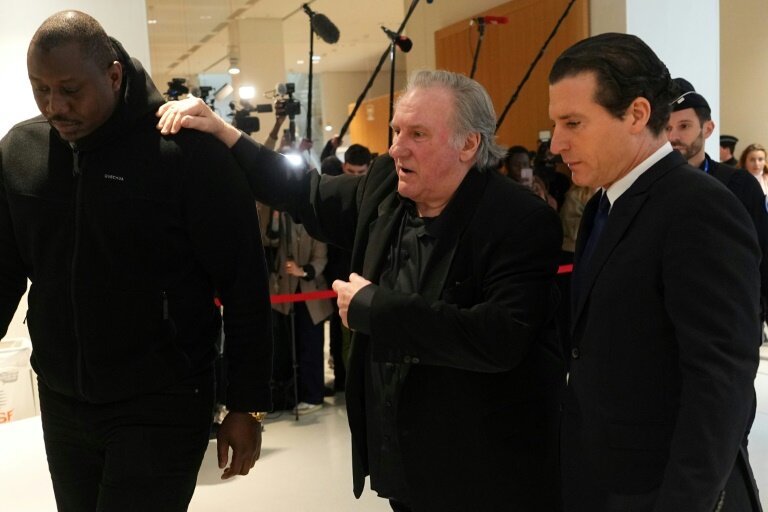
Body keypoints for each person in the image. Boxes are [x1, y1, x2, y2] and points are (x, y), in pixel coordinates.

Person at [158, 69, 565, 512]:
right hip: (403, 465)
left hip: (483, 473)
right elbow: (302, 191)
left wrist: (376, 308)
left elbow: (499, 337)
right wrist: (222, 131)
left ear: (469, 145)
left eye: (418, 134)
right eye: (396, 130)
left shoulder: (518, 219)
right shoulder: (386, 186)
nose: (396, 147)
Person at [0, 11, 273, 511]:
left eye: (69, 89)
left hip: (163, 401)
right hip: (63, 400)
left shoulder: (186, 153)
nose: (54, 106)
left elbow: (244, 284)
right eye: (40, 89)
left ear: (113, 75)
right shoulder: (21, 150)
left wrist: (247, 404)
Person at [549, 32, 762, 511]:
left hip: (663, 488)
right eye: (556, 124)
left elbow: (720, 380)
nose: (557, 143)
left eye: (573, 122)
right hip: (608, 476)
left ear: (637, 114)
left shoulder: (698, 207)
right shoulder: (605, 202)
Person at [666, 77, 768, 320]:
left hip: (731, 315)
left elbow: (762, 250)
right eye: (667, 128)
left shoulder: (740, 184)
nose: (673, 137)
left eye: (684, 126)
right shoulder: (651, 187)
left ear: (707, 129)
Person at [260, 204, 333, 415]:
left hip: (311, 292)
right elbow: (270, 241)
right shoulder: (282, 217)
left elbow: (321, 257)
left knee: (311, 343)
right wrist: (274, 217)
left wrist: (303, 271)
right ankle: (291, 393)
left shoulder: (316, 223)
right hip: (284, 292)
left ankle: (313, 394)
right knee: (287, 344)